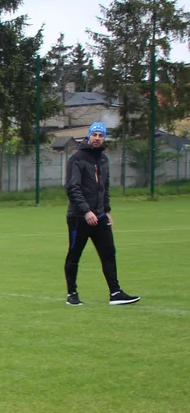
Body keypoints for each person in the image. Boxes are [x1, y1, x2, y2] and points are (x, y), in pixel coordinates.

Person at [64, 121, 140, 306]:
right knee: (75, 255)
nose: (97, 138)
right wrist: (86, 211)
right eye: (95, 135)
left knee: (108, 253)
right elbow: (73, 188)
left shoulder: (104, 159)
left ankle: (115, 293)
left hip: (100, 216)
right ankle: (71, 294)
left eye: (101, 135)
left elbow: (104, 188)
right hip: (79, 218)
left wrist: (106, 211)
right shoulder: (77, 159)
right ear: (88, 136)